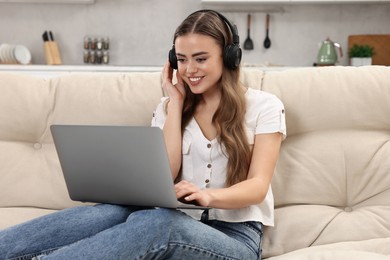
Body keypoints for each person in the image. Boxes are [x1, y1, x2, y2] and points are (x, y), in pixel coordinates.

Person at [0, 9, 286, 260]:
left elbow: (258, 185)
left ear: (229, 57)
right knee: (109, 212)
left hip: (235, 237)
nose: (189, 70)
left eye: (200, 59)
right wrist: (175, 104)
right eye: (182, 60)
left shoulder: (264, 106)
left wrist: (208, 195)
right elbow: (167, 173)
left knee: (159, 224)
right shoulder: (167, 108)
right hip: (176, 217)